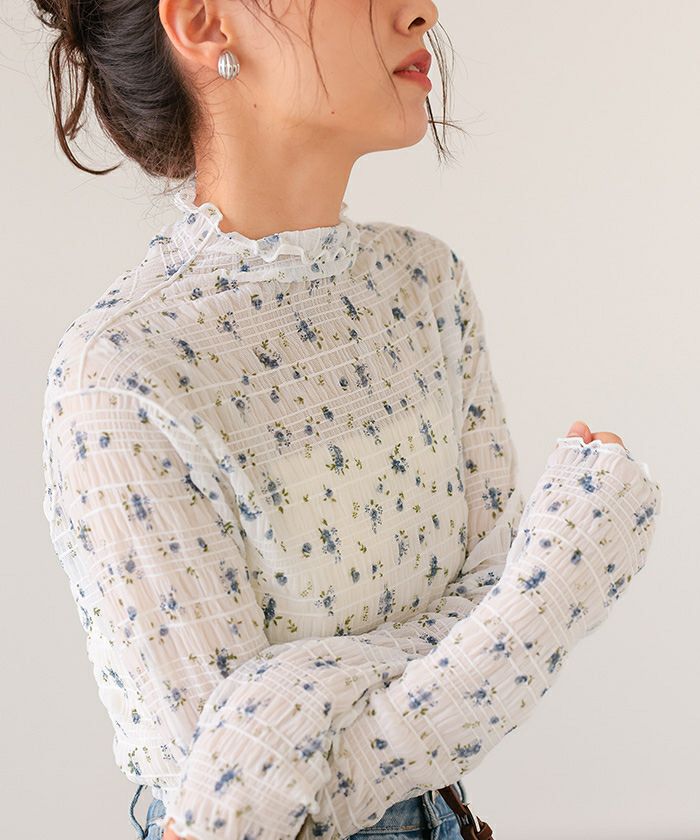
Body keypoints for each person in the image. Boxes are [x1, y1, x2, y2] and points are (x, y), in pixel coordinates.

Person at [34, 0, 663, 838]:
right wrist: (561, 584)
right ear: (205, 23)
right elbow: (241, 808)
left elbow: (486, 598)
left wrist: (283, 693)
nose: (422, 11)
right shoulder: (121, 376)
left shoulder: (424, 285)